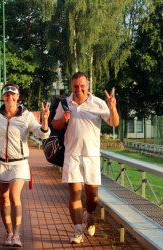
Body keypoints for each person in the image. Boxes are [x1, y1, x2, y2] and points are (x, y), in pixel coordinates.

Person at [51, 72, 119, 244]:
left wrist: (112, 107)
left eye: (82, 86)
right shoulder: (65, 103)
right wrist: (64, 120)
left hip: (91, 156)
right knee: (75, 194)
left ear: (87, 86)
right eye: (75, 86)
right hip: (71, 155)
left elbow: (114, 122)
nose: (79, 89)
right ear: (71, 87)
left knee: (92, 197)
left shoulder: (98, 103)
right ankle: (78, 230)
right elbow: (55, 124)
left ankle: (90, 215)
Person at [0, 82, 50, 247]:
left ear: (18, 97)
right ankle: (9, 233)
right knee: (4, 199)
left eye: (13, 95)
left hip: (18, 163)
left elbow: (41, 133)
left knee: (14, 196)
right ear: (3, 97)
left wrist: (45, 120)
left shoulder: (26, 116)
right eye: (7, 95)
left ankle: (17, 235)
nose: (10, 98)